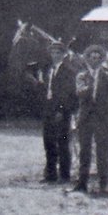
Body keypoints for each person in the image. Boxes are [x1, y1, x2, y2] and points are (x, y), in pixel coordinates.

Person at [32, 40, 77, 183]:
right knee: (49, 142)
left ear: (64, 55)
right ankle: (50, 174)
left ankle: (64, 175)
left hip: (61, 112)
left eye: (58, 53)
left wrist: (61, 110)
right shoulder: (47, 70)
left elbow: (68, 94)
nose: (55, 55)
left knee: (63, 143)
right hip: (49, 110)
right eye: (53, 52)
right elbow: (45, 90)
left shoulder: (69, 72)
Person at [74, 44, 108, 194]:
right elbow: (80, 93)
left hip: (101, 117)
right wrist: (92, 84)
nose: (95, 60)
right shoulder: (82, 76)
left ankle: (104, 183)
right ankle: (82, 182)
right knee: (85, 150)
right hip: (86, 118)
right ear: (87, 59)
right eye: (92, 57)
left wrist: (105, 77)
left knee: (102, 151)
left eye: (98, 58)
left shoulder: (105, 76)